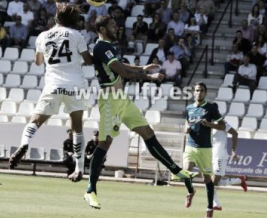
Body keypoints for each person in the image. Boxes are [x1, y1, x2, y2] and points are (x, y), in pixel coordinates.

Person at [84, 15, 196, 210]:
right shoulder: (101, 47)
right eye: (111, 25)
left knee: (148, 133)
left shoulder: (109, 47)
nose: (116, 27)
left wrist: (141, 67)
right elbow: (123, 72)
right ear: (101, 29)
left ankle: (177, 171)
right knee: (104, 143)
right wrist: (148, 76)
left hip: (123, 99)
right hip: (110, 100)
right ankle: (90, 190)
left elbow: (122, 66)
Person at [8, 3, 93, 183]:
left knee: (35, 121)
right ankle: (79, 169)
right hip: (75, 85)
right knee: (77, 128)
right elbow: (88, 61)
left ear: (56, 18)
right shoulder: (77, 35)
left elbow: (38, 62)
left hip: (53, 85)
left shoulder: (42, 36)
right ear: (72, 20)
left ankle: (24, 144)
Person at [183, 82, 225, 218]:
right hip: (190, 146)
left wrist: (209, 124)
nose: (198, 93)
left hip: (205, 148)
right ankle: (190, 192)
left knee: (206, 179)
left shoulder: (211, 108)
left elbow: (222, 126)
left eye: (201, 90)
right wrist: (186, 129)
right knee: (186, 174)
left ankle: (209, 208)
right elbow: (186, 123)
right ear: (193, 92)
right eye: (196, 90)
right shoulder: (189, 108)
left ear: (205, 93)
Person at [211, 119, 247, 211]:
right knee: (211, 182)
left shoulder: (220, 121)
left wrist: (233, 151)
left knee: (212, 182)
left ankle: (216, 205)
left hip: (220, 156)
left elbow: (235, 133)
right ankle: (239, 180)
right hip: (210, 155)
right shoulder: (206, 122)